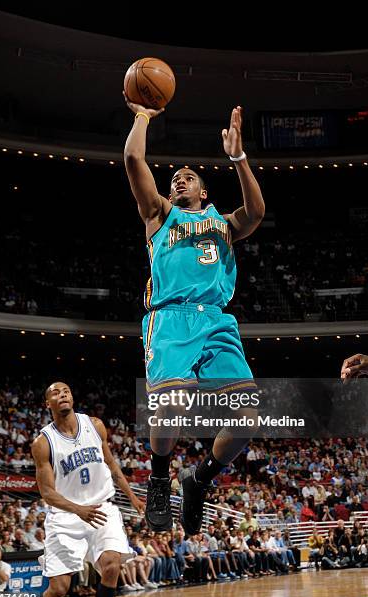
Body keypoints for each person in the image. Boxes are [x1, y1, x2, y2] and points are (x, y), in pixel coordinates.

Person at [123, 94, 265, 536]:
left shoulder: (222, 222)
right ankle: (161, 475)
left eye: (189, 177)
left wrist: (238, 157)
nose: (179, 180)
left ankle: (198, 478)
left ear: (204, 191)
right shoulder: (159, 215)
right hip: (171, 318)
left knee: (247, 420)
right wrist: (144, 116)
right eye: (175, 179)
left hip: (217, 321)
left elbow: (257, 212)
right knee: (173, 402)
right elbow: (132, 157)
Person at [31, 381, 145, 597]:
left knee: (112, 565)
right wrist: (78, 510)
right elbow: (47, 493)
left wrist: (133, 497)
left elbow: (111, 463)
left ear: (72, 398)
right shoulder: (43, 443)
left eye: (66, 391)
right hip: (65, 516)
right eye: (56, 392)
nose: (62, 394)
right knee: (59, 589)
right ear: (47, 404)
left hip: (101, 508)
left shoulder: (95, 425)